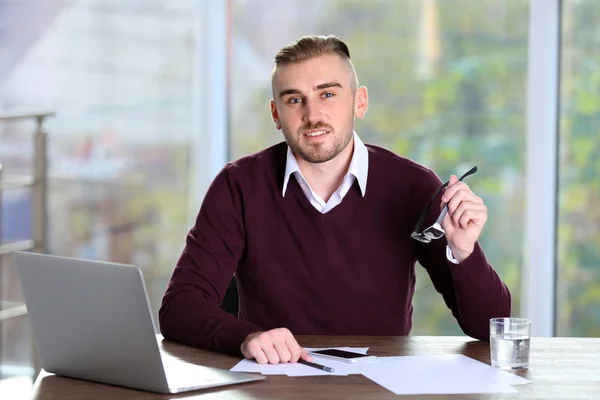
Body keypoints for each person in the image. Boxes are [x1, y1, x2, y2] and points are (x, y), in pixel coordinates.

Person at [159, 34, 511, 366]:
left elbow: (488, 328)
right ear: (276, 115)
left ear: (360, 103)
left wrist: (465, 251)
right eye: (295, 99)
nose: (312, 115)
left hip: (380, 386)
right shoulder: (238, 186)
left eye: (327, 94)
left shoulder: (413, 186)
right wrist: (246, 337)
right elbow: (179, 307)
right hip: (275, 382)